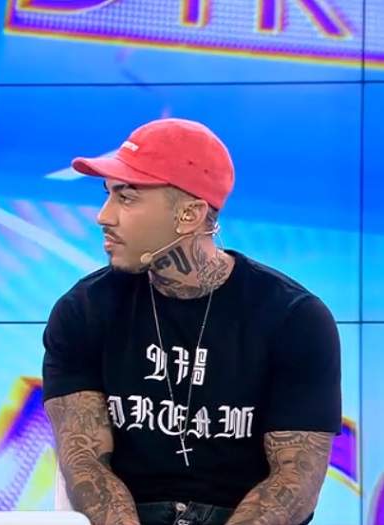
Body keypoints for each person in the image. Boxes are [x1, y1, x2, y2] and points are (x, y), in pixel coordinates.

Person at [42, 118, 341, 525]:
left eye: (126, 198)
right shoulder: (83, 310)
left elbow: (295, 480)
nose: (103, 216)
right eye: (107, 195)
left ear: (189, 214)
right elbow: (85, 463)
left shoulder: (295, 318)